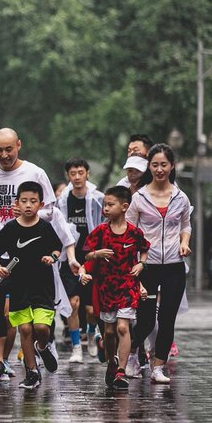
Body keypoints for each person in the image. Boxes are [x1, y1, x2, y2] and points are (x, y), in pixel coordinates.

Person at [0, 127, 57, 381]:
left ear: (19, 145)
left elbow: (50, 210)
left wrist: (26, 214)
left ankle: (39, 348)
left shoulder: (34, 173)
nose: (4, 155)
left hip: (29, 256)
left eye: (9, 149)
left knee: (27, 311)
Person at [126, 143, 192, 383]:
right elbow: (130, 232)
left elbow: (185, 225)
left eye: (164, 164)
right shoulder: (139, 198)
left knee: (167, 318)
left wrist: (184, 242)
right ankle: (132, 353)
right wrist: (133, 263)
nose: (159, 169)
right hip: (147, 266)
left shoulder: (180, 197)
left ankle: (157, 367)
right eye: (155, 165)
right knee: (144, 320)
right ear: (149, 167)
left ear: (171, 166)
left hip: (174, 266)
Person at [0, 182, 62, 389]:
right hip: (18, 286)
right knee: (26, 329)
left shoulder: (45, 227)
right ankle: (32, 373)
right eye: (24, 201)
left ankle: (43, 347)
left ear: (40, 204)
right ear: (17, 203)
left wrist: (52, 258)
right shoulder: (11, 228)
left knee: (40, 327)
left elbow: (58, 248)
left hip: (43, 286)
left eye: (33, 201)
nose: (28, 205)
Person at [81, 186, 150, 390]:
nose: (106, 209)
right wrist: (96, 254)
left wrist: (141, 264)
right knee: (109, 332)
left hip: (127, 284)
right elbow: (85, 254)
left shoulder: (135, 232)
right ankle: (111, 362)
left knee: (122, 327)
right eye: (105, 205)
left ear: (124, 206)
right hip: (106, 286)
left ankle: (121, 370)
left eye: (110, 205)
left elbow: (144, 249)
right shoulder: (100, 231)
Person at [56, 158, 103, 362]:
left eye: (80, 173)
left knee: (91, 309)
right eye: (73, 173)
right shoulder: (62, 201)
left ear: (87, 174)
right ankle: (76, 347)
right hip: (69, 258)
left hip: (92, 258)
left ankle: (91, 333)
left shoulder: (97, 200)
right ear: (68, 176)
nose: (77, 177)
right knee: (73, 304)